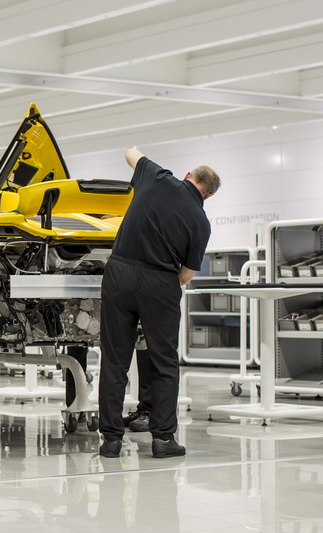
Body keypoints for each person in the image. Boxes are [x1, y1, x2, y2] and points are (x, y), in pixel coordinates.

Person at [98, 148, 220, 459]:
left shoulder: (157, 176)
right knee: (164, 362)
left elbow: (130, 152)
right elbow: (186, 275)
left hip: (119, 272)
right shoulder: (201, 222)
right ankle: (163, 440)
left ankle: (111, 440)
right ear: (207, 196)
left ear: (187, 176)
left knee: (114, 359)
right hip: (161, 282)